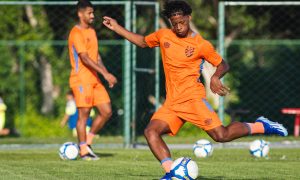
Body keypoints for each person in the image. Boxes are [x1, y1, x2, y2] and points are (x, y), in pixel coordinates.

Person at [102, 0, 288, 179]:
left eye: (182, 22)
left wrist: (215, 77)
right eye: (175, 23)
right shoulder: (163, 35)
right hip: (172, 103)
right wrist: (117, 27)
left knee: (221, 135)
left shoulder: (201, 44)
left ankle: (261, 125)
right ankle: (171, 173)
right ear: (170, 22)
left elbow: (223, 64)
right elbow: (142, 41)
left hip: (193, 100)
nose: (179, 26)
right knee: (151, 132)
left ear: (189, 18)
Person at [68, 0, 117, 160]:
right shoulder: (76, 33)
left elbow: (96, 56)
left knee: (106, 111)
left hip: (94, 79)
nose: (92, 15)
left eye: (93, 12)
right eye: (89, 12)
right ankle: (83, 151)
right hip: (81, 80)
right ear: (80, 14)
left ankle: (87, 143)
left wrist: (106, 72)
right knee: (84, 115)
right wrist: (105, 74)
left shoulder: (92, 31)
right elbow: (85, 58)